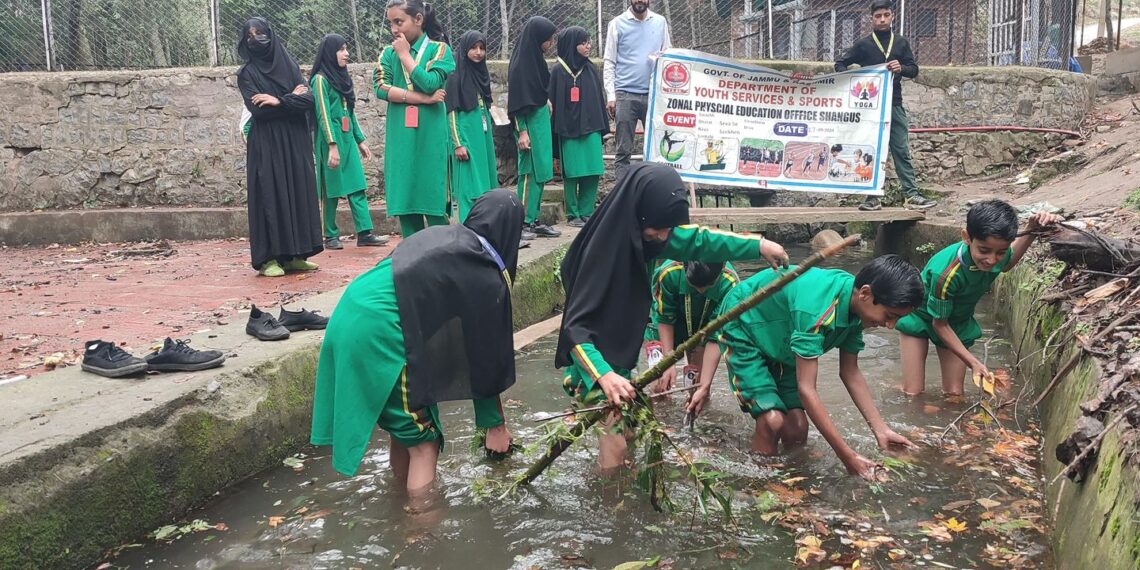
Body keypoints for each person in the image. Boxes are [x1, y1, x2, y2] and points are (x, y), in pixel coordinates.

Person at [556, 162, 789, 470]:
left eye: (669, 229)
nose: (665, 236)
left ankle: (622, 493)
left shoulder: (647, 233)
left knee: (631, 430)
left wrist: (759, 245)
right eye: (660, 229)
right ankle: (611, 505)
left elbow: (700, 240)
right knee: (614, 440)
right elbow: (575, 329)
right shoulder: (601, 256)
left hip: (618, 355)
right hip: (595, 360)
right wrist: (604, 376)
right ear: (640, 214)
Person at [311, 190, 523, 493]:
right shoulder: (484, 274)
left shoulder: (446, 238)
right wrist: (496, 427)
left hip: (350, 314)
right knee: (426, 441)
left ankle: (398, 502)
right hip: (382, 333)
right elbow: (484, 354)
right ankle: (419, 531)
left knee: (407, 430)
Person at [688, 255, 923, 479]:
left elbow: (850, 372)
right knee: (772, 420)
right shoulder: (816, 309)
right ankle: (760, 488)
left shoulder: (857, 309)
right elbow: (807, 390)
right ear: (865, 293)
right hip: (744, 326)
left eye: (897, 319)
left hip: (783, 339)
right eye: (889, 315)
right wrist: (848, 457)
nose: (890, 326)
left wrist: (880, 430)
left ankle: (795, 486)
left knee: (798, 428)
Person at [898, 200, 1062, 396]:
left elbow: (1007, 263)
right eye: (984, 251)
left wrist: (1031, 230)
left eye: (1000, 252)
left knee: (954, 395)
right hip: (922, 317)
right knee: (913, 393)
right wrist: (973, 362)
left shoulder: (995, 253)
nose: (992, 260)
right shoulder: (947, 274)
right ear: (967, 237)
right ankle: (898, 388)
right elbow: (939, 324)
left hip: (957, 321)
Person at [237, 18, 323, 278]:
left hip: (295, 141)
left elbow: (309, 100)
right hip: (267, 144)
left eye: (261, 33)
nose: (256, 39)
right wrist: (291, 99)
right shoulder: (247, 74)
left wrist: (277, 101)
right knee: (270, 192)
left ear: (271, 35)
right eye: (250, 35)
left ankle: (296, 254)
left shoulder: (290, 66)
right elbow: (258, 112)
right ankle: (268, 259)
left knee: (298, 190)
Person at [835, 0, 936, 212]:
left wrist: (902, 68)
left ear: (892, 17)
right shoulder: (863, 45)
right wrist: (855, 77)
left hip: (894, 104)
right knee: (871, 150)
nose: (882, 19)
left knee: (900, 149)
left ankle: (911, 195)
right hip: (869, 108)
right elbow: (840, 64)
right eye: (878, 16)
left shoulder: (900, 43)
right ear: (871, 19)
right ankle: (872, 198)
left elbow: (914, 69)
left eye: (886, 15)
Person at [373, 0, 454, 238]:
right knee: (405, 201)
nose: (394, 29)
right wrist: (421, 100)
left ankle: (444, 256)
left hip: (431, 137)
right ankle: (413, 257)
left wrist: (405, 55)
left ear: (418, 19)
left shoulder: (439, 50)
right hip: (401, 138)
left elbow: (430, 83)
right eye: (390, 23)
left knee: (434, 200)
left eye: (399, 22)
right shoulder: (388, 53)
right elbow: (380, 87)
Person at [310, 34, 388, 250]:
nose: (347, 54)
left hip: (346, 139)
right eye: (342, 49)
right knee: (331, 190)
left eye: (347, 49)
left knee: (357, 186)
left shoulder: (342, 77)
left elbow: (350, 112)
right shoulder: (320, 79)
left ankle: (365, 232)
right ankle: (330, 235)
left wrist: (360, 140)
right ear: (329, 52)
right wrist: (332, 145)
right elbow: (322, 114)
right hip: (330, 139)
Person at [644, 260, 739, 394]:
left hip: (704, 329)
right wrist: (668, 362)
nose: (701, 290)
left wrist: (705, 385)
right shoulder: (669, 273)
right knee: (659, 386)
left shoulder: (730, 284)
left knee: (698, 388)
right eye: (693, 284)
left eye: (709, 285)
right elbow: (665, 317)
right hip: (664, 326)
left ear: (722, 266)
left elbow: (716, 333)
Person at [604, 0, 672, 182]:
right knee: (623, 150)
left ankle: (651, 193)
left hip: (654, 95)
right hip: (625, 94)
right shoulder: (617, 23)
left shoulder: (660, 22)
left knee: (656, 149)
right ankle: (622, 196)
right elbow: (609, 61)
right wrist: (611, 95)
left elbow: (668, 55)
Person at [549, 26, 607, 229]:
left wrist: (601, 129)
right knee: (572, 172)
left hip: (590, 128)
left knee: (592, 169)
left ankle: (587, 211)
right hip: (568, 131)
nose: (588, 46)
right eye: (583, 43)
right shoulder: (557, 71)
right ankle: (573, 213)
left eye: (589, 42)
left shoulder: (590, 69)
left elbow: (598, 100)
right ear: (572, 45)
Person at [508, 16, 561, 238]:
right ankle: (521, 223)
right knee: (529, 173)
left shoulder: (535, 60)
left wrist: (544, 99)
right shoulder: (521, 65)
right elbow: (518, 102)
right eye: (548, 39)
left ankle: (534, 218)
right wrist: (522, 132)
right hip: (528, 126)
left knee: (541, 173)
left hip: (539, 123)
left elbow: (537, 89)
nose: (550, 44)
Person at [445, 30, 500, 223]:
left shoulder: (481, 75)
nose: (478, 52)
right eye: (473, 48)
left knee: (486, 183)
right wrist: (458, 143)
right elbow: (450, 114)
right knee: (470, 186)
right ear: (464, 50)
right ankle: (469, 230)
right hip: (466, 138)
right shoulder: (455, 77)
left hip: (482, 137)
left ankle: (487, 228)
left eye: (482, 48)